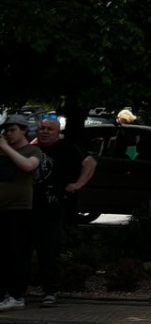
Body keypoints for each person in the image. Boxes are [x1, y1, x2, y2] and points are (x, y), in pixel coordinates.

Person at [31, 114, 95, 306]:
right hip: (29, 205)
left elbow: (90, 162)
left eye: (49, 129)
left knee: (49, 249)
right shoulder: (32, 149)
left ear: (58, 132)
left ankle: (50, 290)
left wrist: (78, 184)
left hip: (53, 207)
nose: (44, 132)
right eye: (42, 128)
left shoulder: (67, 149)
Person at [0, 117, 41, 309]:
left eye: (12, 130)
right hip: (2, 208)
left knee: (17, 251)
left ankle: (16, 295)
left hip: (19, 209)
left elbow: (28, 166)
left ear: (23, 130)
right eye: (6, 130)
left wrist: (6, 148)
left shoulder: (32, 151)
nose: (8, 134)